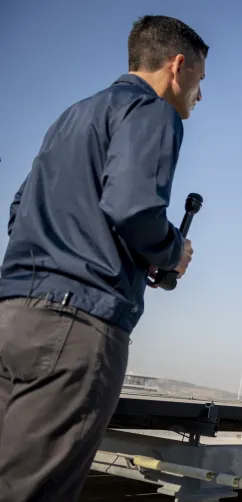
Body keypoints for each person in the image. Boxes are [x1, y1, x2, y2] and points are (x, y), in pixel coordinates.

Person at [0, 15, 208, 501]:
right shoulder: (156, 111)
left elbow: (18, 213)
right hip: (76, 328)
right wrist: (174, 252)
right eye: (201, 81)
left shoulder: (73, 116)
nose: (200, 96)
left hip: (12, 316)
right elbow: (133, 207)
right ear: (178, 66)